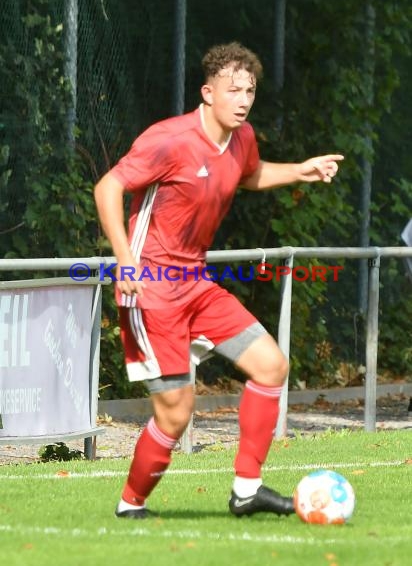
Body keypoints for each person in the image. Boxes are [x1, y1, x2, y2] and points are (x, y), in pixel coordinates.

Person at [94, 41, 344, 519]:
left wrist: (301, 171)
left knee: (271, 365)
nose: (244, 98)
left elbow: (248, 174)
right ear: (208, 93)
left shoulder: (243, 137)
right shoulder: (169, 139)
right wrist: (124, 261)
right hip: (152, 288)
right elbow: (108, 186)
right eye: (233, 90)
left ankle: (247, 491)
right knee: (176, 411)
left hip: (196, 284)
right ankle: (131, 505)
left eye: (250, 89)